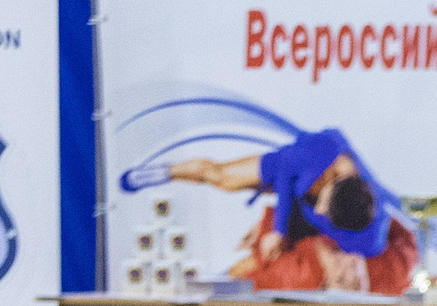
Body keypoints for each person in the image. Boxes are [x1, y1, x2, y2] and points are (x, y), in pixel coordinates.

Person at [162, 126, 412, 295]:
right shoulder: (326, 149)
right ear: (332, 181)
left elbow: (323, 239)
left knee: (255, 266)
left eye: (326, 215)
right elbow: (285, 171)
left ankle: (201, 289)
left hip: (302, 214)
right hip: (288, 172)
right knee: (221, 177)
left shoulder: (369, 239)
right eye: (323, 204)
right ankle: (164, 172)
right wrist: (277, 229)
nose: (322, 210)